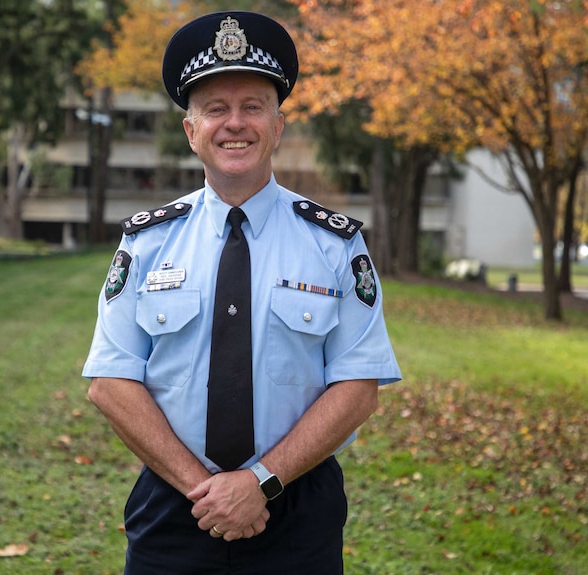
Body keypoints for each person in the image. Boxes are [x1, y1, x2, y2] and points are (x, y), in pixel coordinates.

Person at [83, 10, 401, 574]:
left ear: (278, 127)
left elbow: (358, 387)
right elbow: (111, 382)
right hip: (174, 511)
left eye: (253, 106)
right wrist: (206, 490)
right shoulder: (147, 243)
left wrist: (260, 482)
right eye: (215, 109)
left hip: (297, 511)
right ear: (191, 131)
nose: (236, 124)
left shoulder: (335, 246)